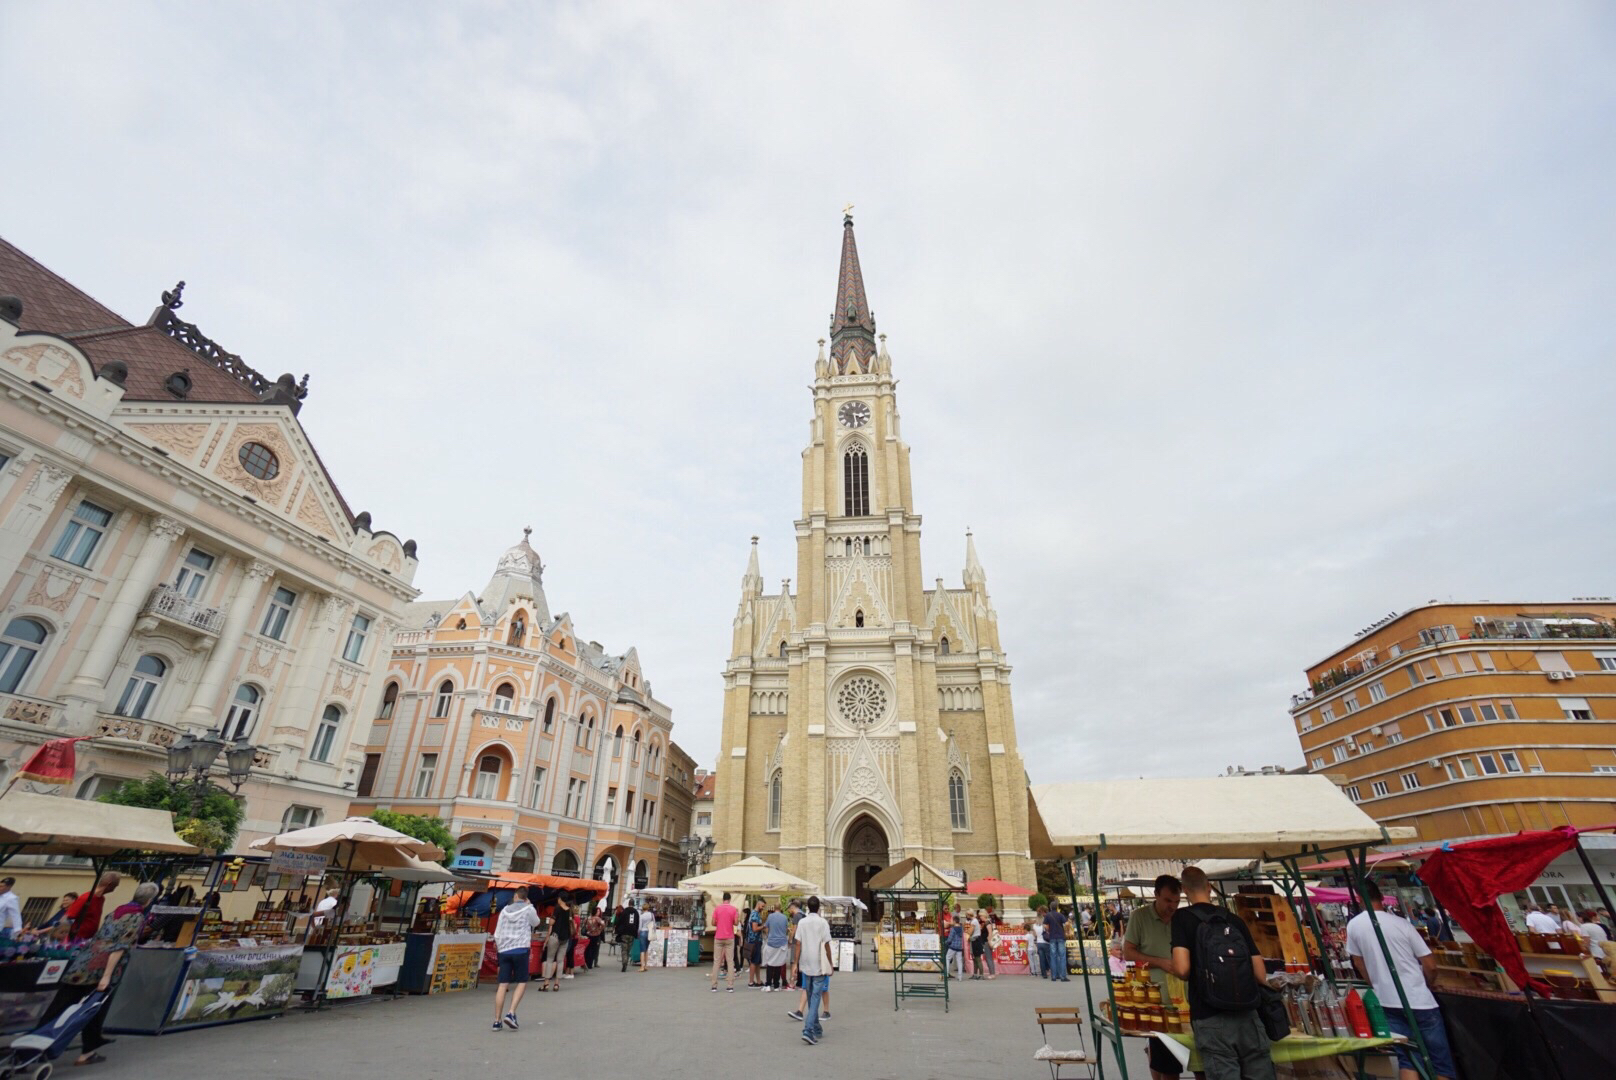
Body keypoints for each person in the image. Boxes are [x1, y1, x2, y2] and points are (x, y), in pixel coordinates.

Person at [1169, 866, 1274, 1080]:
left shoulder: (1182, 918)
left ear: (1184, 890)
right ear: (1209, 887)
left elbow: (1182, 969)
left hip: (1210, 1015)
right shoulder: (1233, 919)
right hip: (1248, 1014)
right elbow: (1260, 974)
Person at [1345, 878, 1457, 1080]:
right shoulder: (1402, 924)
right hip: (1420, 1000)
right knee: (1440, 1064)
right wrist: (1427, 983)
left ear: (1359, 899)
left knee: (1407, 1059)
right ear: (1381, 897)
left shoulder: (1354, 926)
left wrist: (1376, 983)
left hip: (1387, 1000)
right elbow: (1430, 964)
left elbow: (1359, 963)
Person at [52, 880, 156, 1066]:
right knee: (95, 1008)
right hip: (103, 966)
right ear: (149, 901)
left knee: (60, 1005)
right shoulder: (136, 917)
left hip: (84, 962)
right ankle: (87, 1052)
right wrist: (107, 976)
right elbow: (120, 947)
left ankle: (34, 1045)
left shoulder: (117, 911)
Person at [1124, 874, 1185, 1080]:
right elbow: (1128, 953)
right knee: (1168, 1066)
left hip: (1185, 1001)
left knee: (1197, 1063)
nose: (1172, 906)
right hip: (1156, 1001)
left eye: (1176, 901)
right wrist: (1161, 962)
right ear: (1156, 895)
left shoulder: (1181, 918)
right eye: (1168, 900)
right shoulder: (1139, 917)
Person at [490, 887, 539, 1031]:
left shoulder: (505, 910)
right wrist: (530, 905)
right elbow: (536, 922)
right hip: (520, 948)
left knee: (503, 984)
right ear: (525, 897)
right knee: (522, 981)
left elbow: (498, 931)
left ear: (516, 896)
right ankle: (511, 1013)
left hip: (504, 950)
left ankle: (497, 1020)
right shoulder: (529, 909)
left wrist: (499, 945)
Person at [793, 896, 834, 1046]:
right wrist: (830, 962)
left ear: (808, 907)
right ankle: (808, 1029)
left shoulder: (802, 922)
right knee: (815, 996)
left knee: (811, 996)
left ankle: (816, 1027)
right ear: (818, 908)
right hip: (819, 963)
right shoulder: (823, 923)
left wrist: (795, 963)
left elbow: (798, 943)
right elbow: (827, 944)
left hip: (806, 962)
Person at [64, 873, 119, 941]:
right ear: (109, 884)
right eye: (115, 886)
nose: (114, 889)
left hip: (89, 938)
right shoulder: (86, 898)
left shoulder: (101, 899)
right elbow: (68, 917)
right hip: (77, 938)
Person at [711, 891, 741, 992]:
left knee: (716, 961)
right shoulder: (734, 909)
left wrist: (719, 923)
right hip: (729, 937)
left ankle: (714, 986)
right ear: (730, 899)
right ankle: (730, 986)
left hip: (718, 937)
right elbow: (736, 923)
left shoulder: (717, 908)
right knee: (730, 961)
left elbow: (713, 922)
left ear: (723, 899)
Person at [763, 901, 791, 991]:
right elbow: (786, 930)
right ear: (780, 908)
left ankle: (768, 984)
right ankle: (776, 985)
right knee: (779, 964)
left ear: (774, 908)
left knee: (770, 963)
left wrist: (769, 935)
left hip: (771, 942)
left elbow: (766, 927)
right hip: (782, 943)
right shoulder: (784, 917)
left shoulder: (770, 916)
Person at [1044, 904, 1071, 982]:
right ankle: (1063, 976)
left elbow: (1046, 926)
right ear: (1057, 908)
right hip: (1060, 937)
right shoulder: (1060, 915)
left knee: (1053, 956)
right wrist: (1066, 931)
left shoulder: (1048, 915)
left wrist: (1049, 930)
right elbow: (1067, 924)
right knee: (1062, 956)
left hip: (1052, 937)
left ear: (1050, 907)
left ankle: (1054, 976)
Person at [614, 902, 638, 972]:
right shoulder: (636, 912)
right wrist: (636, 933)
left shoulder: (625, 911)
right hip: (632, 933)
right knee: (628, 949)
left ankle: (624, 962)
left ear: (628, 904)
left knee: (624, 949)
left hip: (624, 933)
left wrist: (617, 930)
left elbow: (620, 921)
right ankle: (626, 961)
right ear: (633, 904)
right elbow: (637, 923)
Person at [746, 899, 765, 986]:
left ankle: (758, 980)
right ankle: (751, 982)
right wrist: (763, 926)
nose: (763, 908)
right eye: (762, 906)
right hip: (754, 941)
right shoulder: (754, 914)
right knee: (754, 961)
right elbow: (754, 928)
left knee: (757, 962)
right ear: (758, 904)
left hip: (756, 940)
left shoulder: (755, 913)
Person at [637, 901, 656, 972]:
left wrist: (638, 933)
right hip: (649, 932)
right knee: (646, 949)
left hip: (643, 932)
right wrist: (654, 931)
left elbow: (640, 927)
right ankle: (646, 965)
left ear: (643, 908)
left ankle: (642, 966)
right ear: (648, 908)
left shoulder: (641, 916)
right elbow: (654, 924)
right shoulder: (651, 914)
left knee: (642, 950)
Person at [1032, 907, 1050, 979]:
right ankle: (1051, 970)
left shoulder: (1034, 926)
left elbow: (1034, 935)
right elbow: (1048, 931)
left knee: (1041, 959)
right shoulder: (1044, 925)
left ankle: (1044, 974)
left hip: (1039, 943)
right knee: (1048, 958)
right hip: (1045, 942)